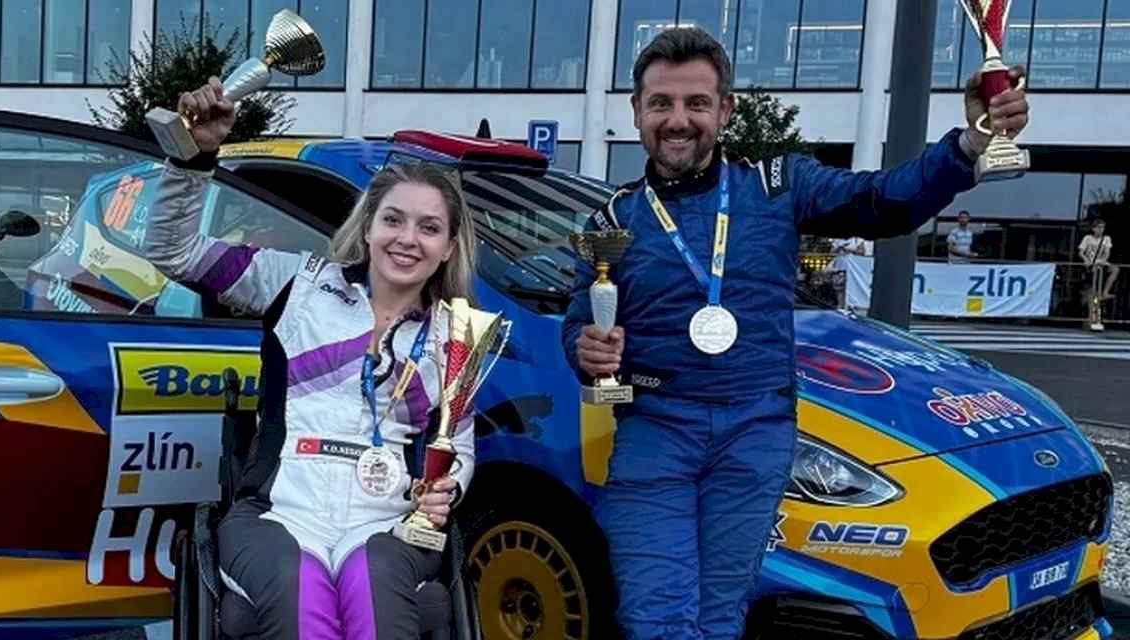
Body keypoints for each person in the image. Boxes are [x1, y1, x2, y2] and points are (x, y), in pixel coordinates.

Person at [561, 28, 1029, 640]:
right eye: (661, 104)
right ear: (636, 111)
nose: (678, 120)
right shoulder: (613, 220)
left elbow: (883, 200)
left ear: (724, 110)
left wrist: (968, 144)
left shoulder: (776, 184)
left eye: (696, 103)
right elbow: (579, 319)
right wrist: (585, 348)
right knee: (655, 617)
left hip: (754, 432)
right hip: (656, 431)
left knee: (719, 616)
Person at [145, 77, 478, 639]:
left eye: (429, 228)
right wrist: (192, 158)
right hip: (278, 513)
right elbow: (171, 250)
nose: (407, 238)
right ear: (367, 227)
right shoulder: (296, 283)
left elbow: (459, 449)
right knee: (301, 592)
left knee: (373, 585)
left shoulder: (456, 336)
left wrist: (448, 488)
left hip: (387, 521)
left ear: (448, 246)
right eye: (393, 219)